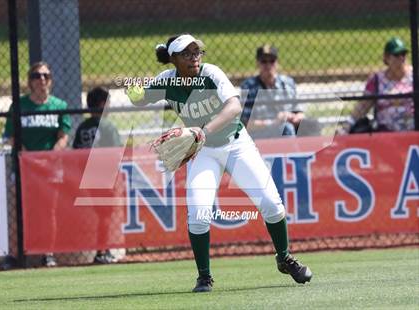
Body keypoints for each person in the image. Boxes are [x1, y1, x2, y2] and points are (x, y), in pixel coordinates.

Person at [128, 34, 312, 292]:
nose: (194, 57)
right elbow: (139, 98)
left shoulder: (211, 73)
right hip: (203, 152)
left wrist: (203, 130)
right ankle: (204, 276)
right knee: (199, 214)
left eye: (197, 51)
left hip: (236, 144)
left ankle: (284, 258)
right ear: (174, 59)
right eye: (187, 53)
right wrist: (133, 88)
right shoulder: (166, 81)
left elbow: (234, 107)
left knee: (271, 204)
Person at [3, 61, 72, 268]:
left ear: (50, 79)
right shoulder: (20, 105)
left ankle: (47, 253)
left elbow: (63, 137)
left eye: (45, 75)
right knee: (20, 211)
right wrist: (28, 157)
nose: (41, 79)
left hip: (50, 169)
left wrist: (50, 157)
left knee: (48, 211)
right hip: (24, 168)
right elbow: (11, 136)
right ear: (30, 81)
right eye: (36, 76)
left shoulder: (59, 106)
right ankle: (16, 255)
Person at [73, 86, 121, 264]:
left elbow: (76, 153)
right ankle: (102, 251)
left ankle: (103, 249)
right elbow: (116, 153)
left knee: (100, 215)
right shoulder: (107, 126)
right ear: (102, 104)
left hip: (87, 176)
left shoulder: (83, 127)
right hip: (105, 175)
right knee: (105, 215)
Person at [343, 37, 414, 133]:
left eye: (403, 54)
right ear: (387, 58)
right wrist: (347, 125)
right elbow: (363, 106)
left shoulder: (414, 75)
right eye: (397, 55)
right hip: (386, 131)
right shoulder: (377, 79)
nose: (401, 58)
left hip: (413, 130)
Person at [240, 44, 296, 139]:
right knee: (287, 129)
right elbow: (245, 123)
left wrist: (292, 116)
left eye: (272, 61)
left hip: (288, 125)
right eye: (264, 61)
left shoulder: (287, 83)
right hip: (260, 132)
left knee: (312, 125)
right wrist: (273, 123)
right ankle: (292, 153)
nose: (268, 65)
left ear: (277, 63)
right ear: (257, 63)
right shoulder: (249, 86)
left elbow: (299, 111)